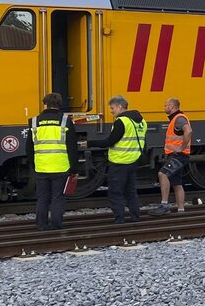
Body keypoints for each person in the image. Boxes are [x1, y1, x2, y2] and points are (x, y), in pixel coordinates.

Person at [89, 95, 146, 225]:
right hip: (133, 161)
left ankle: (119, 219)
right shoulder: (141, 122)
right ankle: (135, 217)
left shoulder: (122, 122)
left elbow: (109, 141)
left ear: (120, 107)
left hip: (119, 162)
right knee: (131, 191)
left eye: (112, 108)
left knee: (116, 192)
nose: (111, 111)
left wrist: (88, 143)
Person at [32, 93, 77, 231]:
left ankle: (41, 225)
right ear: (59, 104)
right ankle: (56, 225)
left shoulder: (34, 121)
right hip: (60, 166)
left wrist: (33, 163)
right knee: (58, 197)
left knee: (42, 198)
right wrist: (74, 168)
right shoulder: (65, 121)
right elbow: (72, 147)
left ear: (45, 104)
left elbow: (29, 147)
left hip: (41, 167)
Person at [156, 98, 192, 214]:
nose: (164, 108)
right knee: (177, 184)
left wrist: (181, 148)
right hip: (178, 155)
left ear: (171, 106)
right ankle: (181, 210)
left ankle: (164, 205)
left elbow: (188, 131)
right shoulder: (176, 119)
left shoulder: (179, 119)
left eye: (166, 105)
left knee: (162, 174)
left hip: (179, 155)